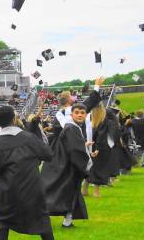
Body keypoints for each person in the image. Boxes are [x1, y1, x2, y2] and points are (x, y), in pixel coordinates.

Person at [0, 106, 59, 240]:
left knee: (3, 217)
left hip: (10, 186)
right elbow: (48, 154)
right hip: (33, 184)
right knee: (40, 214)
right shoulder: (29, 138)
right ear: (13, 119)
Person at [40, 77, 104, 227]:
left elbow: (74, 144)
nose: (81, 114)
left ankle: (67, 221)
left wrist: (86, 146)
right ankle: (42, 215)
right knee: (58, 190)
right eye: (78, 113)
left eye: (83, 113)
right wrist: (85, 164)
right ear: (72, 113)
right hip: (64, 164)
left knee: (70, 191)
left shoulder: (71, 124)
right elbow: (74, 149)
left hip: (63, 162)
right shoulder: (69, 124)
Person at [87, 105, 122, 197]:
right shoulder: (103, 121)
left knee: (89, 168)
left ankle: (84, 189)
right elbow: (101, 136)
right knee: (98, 169)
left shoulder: (88, 120)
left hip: (88, 146)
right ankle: (96, 191)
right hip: (99, 148)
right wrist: (98, 149)